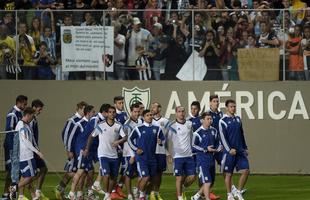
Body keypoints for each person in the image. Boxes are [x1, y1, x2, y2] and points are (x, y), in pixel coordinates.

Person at [84, 106, 125, 200]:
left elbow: (125, 137)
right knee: (106, 174)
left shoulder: (118, 125)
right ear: (106, 114)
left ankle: (108, 193)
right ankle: (107, 194)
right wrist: (87, 149)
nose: (112, 114)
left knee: (113, 177)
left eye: (113, 112)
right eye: (110, 112)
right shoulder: (101, 125)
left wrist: (118, 142)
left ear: (115, 113)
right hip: (103, 154)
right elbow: (91, 136)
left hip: (114, 155)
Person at [128, 109, 165, 200]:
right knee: (145, 177)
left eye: (151, 115)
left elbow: (163, 139)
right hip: (142, 158)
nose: (150, 116)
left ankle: (145, 194)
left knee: (152, 179)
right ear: (143, 117)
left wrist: (160, 142)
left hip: (152, 158)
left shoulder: (157, 128)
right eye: (148, 115)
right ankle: (140, 195)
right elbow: (129, 139)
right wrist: (136, 149)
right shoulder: (138, 128)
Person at [55, 101, 88, 199]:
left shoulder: (83, 120)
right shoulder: (72, 120)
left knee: (73, 171)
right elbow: (65, 134)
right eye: (84, 109)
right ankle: (77, 194)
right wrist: (68, 149)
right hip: (73, 151)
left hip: (79, 151)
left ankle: (60, 188)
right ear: (80, 108)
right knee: (76, 172)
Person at [219, 99, 250, 200]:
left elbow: (241, 134)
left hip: (240, 150)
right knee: (228, 174)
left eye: (234, 106)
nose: (233, 108)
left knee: (246, 170)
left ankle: (239, 191)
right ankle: (229, 194)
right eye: (231, 106)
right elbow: (222, 137)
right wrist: (229, 150)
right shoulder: (222, 121)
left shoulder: (238, 119)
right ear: (227, 108)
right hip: (230, 152)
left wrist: (245, 147)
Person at [166, 106, 196, 200]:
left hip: (189, 155)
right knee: (179, 178)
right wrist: (168, 154)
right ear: (176, 113)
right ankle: (179, 197)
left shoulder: (189, 124)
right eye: (179, 111)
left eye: (183, 111)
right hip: (177, 156)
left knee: (192, 177)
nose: (181, 113)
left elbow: (192, 138)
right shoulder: (172, 126)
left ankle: (182, 188)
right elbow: (165, 141)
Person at [2, 95, 28, 199]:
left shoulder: (20, 113)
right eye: (24, 104)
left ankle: (10, 193)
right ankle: (7, 193)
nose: (25, 106)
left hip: (17, 147)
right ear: (19, 102)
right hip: (11, 146)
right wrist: (14, 147)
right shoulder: (12, 114)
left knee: (15, 171)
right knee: (12, 171)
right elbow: (10, 131)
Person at [68, 105, 96, 200]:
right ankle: (72, 193)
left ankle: (85, 193)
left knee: (91, 172)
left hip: (88, 152)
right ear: (88, 113)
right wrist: (70, 150)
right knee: (80, 172)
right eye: (93, 112)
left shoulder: (92, 123)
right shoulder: (79, 124)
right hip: (81, 151)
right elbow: (71, 138)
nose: (94, 114)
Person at [17, 107, 44, 200]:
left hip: (26, 155)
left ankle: (26, 196)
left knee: (25, 176)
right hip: (26, 155)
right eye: (32, 116)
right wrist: (37, 152)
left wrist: (37, 149)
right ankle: (14, 188)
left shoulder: (26, 125)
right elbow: (25, 140)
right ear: (27, 115)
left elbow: (31, 139)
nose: (33, 118)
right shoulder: (21, 124)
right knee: (32, 176)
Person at [192, 112, 220, 200]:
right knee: (207, 182)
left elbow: (217, 142)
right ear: (202, 120)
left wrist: (218, 148)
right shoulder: (197, 133)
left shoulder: (214, 130)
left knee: (210, 182)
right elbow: (193, 146)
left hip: (211, 160)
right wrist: (205, 149)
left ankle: (196, 196)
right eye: (208, 119)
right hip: (202, 161)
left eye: (210, 119)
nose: (210, 121)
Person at [119, 103, 142, 200]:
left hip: (140, 152)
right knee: (128, 174)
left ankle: (136, 190)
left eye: (138, 111)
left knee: (141, 173)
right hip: (129, 153)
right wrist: (132, 155)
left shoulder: (141, 121)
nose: (137, 113)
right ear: (131, 112)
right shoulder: (127, 124)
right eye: (135, 112)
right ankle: (129, 194)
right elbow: (127, 140)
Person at [29, 99, 49, 200]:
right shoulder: (30, 121)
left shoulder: (34, 119)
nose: (40, 111)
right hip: (30, 151)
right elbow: (29, 138)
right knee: (30, 174)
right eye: (39, 109)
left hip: (35, 150)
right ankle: (23, 190)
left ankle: (37, 192)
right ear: (34, 108)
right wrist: (36, 150)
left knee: (43, 169)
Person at [150, 102, 170, 200]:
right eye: (152, 107)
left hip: (161, 151)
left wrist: (167, 153)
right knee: (150, 173)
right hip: (151, 151)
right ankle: (148, 192)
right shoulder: (148, 119)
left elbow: (168, 137)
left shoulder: (166, 121)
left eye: (155, 107)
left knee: (159, 173)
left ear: (160, 108)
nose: (153, 108)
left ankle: (156, 192)